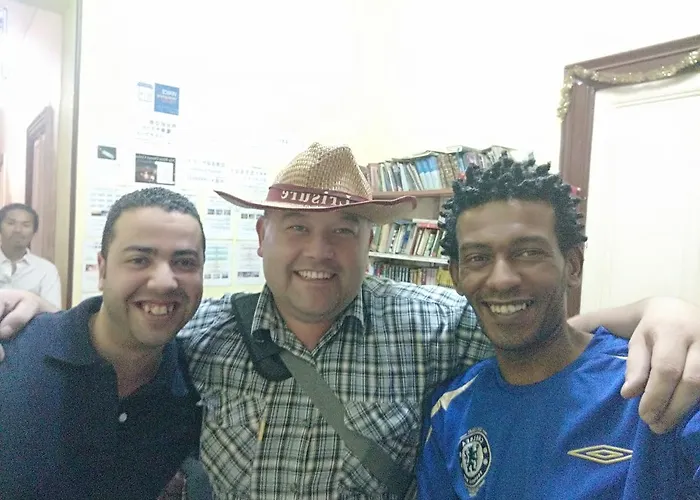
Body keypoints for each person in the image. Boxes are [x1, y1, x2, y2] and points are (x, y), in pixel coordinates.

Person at [3, 143, 700, 499]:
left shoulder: (435, 324)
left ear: (369, 243)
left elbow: (538, 329)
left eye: (343, 230)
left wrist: (663, 310)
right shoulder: (204, 335)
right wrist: (35, 320)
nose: (319, 251)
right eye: (297, 228)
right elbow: (126, 329)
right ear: (262, 238)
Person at [416, 158, 700, 499]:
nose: (502, 279)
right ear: (457, 276)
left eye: (528, 252)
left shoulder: (655, 382)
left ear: (573, 266)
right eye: (478, 257)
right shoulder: (451, 412)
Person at [0, 187, 204, 499]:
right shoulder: (13, 356)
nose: (164, 281)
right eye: (139, 259)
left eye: (185, 262)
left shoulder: (198, 381)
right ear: (103, 269)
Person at [0, 203, 62, 308]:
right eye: (11, 223)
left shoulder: (46, 270)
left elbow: (53, 313)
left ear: (34, 232)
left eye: (26, 225)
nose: (18, 230)